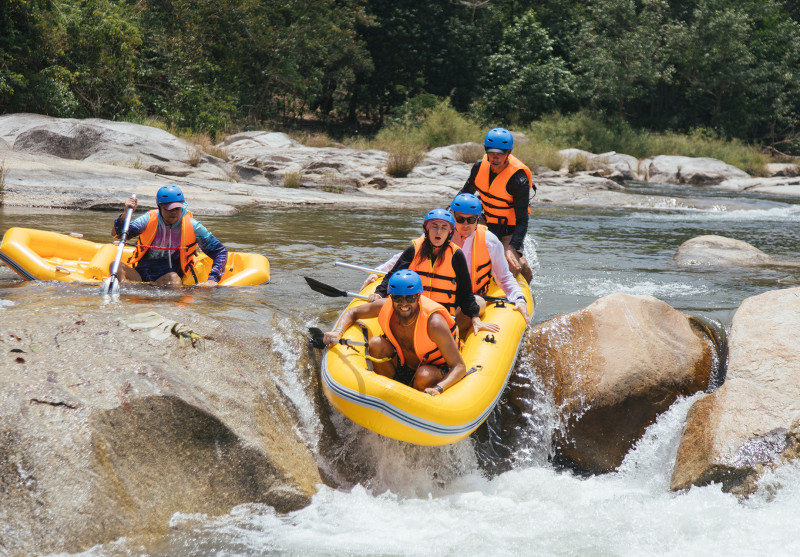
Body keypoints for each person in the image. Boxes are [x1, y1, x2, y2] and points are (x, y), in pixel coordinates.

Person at [324, 269, 466, 396]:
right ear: (391, 297)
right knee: (376, 344)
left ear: (418, 296)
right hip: (403, 366)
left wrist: (439, 388)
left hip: (434, 370)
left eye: (410, 298)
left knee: (423, 375)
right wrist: (338, 331)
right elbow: (353, 312)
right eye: (398, 298)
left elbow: (459, 366)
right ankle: (384, 395)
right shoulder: (384, 306)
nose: (404, 303)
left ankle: (415, 405)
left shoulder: (434, 323)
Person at [370, 208, 499, 338]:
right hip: (414, 312)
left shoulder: (456, 255)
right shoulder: (414, 249)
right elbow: (393, 275)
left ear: (450, 232)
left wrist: (475, 318)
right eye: (434, 227)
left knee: (479, 302)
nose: (438, 231)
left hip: (442, 318)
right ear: (426, 229)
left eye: (444, 228)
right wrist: (379, 293)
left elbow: (465, 292)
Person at [111, 184, 227, 287]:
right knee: (115, 265)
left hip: (168, 278)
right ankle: (127, 293)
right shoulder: (148, 219)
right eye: (169, 209)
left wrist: (213, 279)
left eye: (177, 208)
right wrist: (125, 214)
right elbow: (118, 235)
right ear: (160, 207)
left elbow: (220, 252)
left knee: (173, 278)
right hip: (140, 275)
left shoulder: (193, 226)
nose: (174, 212)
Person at [459, 127, 535, 283]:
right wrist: (446, 216)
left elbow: (522, 220)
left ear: (508, 152)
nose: (495, 158)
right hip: (485, 222)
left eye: (500, 154)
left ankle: (521, 264)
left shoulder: (518, 179)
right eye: (491, 153)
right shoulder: (479, 167)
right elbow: (465, 194)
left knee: (508, 267)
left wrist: (512, 247)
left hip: (509, 230)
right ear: (486, 151)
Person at [449, 193, 529, 323]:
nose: (465, 224)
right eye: (460, 219)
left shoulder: (489, 240)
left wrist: (519, 299)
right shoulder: (438, 237)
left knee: (478, 303)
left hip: (470, 299)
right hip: (439, 297)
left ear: (478, 219)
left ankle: (451, 333)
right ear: (452, 215)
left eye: (471, 220)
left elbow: (504, 277)